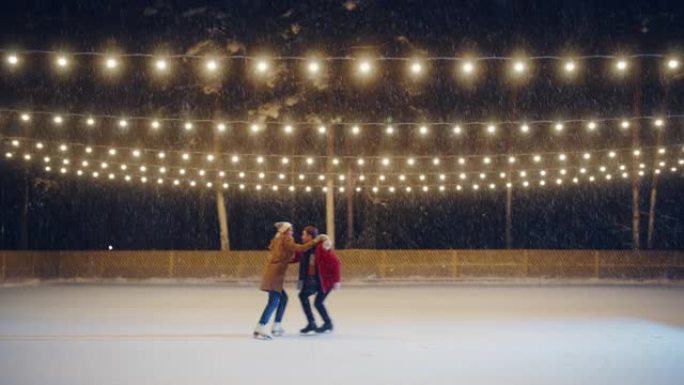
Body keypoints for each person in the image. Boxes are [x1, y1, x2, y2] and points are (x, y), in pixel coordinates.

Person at [254, 221, 324, 340]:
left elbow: (284, 253)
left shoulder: (278, 239)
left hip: (273, 272)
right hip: (275, 274)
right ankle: (261, 326)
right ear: (285, 231)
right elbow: (300, 248)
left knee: (283, 298)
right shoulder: (286, 239)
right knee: (274, 301)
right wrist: (315, 241)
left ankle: (276, 325)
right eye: (290, 230)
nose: (292, 232)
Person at [294, 225, 341, 334]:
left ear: (310, 236)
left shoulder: (320, 248)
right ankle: (323, 323)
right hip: (315, 281)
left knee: (310, 299)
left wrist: (336, 280)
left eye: (304, 234)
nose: (302, 237)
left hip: (324, 281)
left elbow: (336, 262)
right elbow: (296, 257)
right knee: (316, 302)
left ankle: (316, 323)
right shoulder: (305, 248)